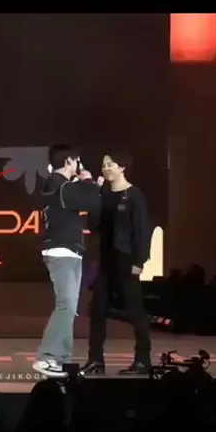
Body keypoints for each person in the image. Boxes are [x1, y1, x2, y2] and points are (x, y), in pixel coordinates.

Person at [81, 151, 152, 376]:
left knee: (135, 311)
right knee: (97, 309)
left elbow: (142, 230)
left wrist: (139, 260)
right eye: (104, 165)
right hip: (105, 260)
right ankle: (95, 360)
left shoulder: (134, 195)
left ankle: (143, 360)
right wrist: (93, 195)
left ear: (122, 167)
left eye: (110, 164)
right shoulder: (103, 193)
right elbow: (93, 224)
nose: (105, 168)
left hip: (126, 260)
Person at [33, 145, 101, 378]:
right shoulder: (58, 183)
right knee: (66, 305)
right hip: (60, 251)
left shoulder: (64, 185)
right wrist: (88, 182)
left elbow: (88, 201)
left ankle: (61, 359)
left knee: (70, 308)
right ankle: (47, 357)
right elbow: (90, 201)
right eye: (77, 161)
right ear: (69, 161)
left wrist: (87, 185)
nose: (79, 165)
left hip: (71, 251)